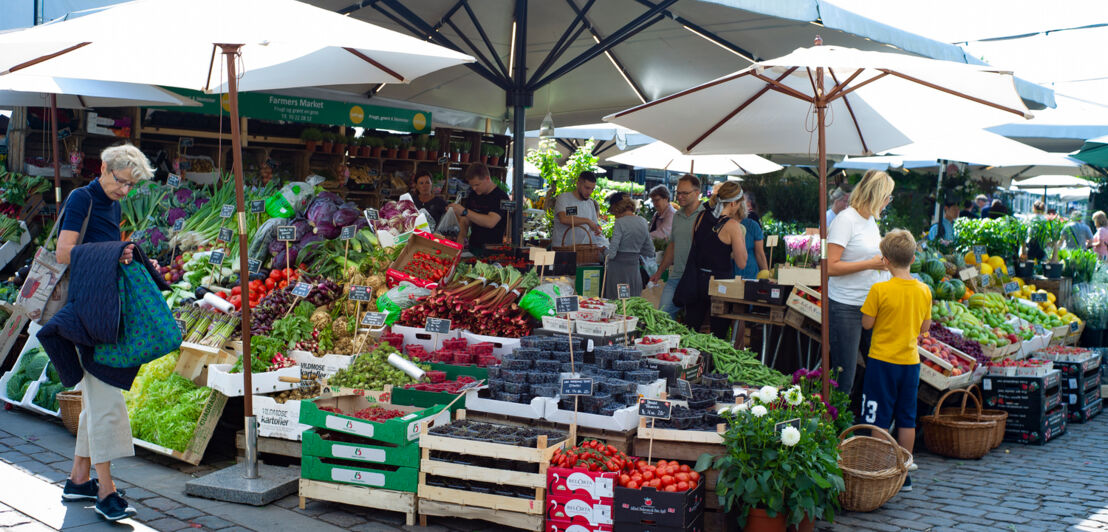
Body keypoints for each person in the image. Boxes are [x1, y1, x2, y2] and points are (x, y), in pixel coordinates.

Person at [53, 144, 155, 521]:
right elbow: (65, 251)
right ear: (104, 168)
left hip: (103, 309)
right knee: (108, 400)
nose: (125, 191)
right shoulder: (83, 198)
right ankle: (106, 492)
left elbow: (103, 248)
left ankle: (80, 480)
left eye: (131, 186)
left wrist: (126, 254)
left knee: (97, 399)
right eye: (121, 182)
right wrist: (115, 251)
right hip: (86, 313)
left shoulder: (112, 202)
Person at [859, 229, 931, 493]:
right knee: (906, 418)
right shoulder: (924, 290)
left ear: (884, 260)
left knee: (878, 417)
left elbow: (867, 323)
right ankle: (904, 473)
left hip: (881, 362)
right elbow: (925, 327)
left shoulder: (879, 289)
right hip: (910, 363)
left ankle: (881, 470)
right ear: (912, 258)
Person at [827, 169, 894, 396]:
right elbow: (830, 267)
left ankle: (860, 423)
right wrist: (870, 264)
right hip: (846, 306)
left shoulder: (870, 221)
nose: (888, 203)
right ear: (877, 195)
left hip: (870, 306)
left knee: (874, 370)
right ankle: (835, 426)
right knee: (843, 377)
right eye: (888, 197)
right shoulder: (845, 220)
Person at [681, 181, 748, 339]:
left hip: (696, 281)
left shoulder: (700, 217)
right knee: (717, 335)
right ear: (733, 203)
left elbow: (697, 245)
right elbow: (742, 262)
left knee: (691, 331)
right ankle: (712, 364)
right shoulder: (732, 226)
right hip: (720, 285)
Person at [650, 174, 704, 318]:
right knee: (663, 316)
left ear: (697, 193)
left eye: (685, 193)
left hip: (698, 279)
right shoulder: (677, 215)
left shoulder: (706, 215)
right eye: (678, 192)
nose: (680, 197)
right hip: (676, 276)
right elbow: (672, 245)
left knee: (693, 322)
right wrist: (660, 271)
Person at [447, 163, 509, 253]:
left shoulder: (500, 197)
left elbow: (490, 222)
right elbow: (465, 220)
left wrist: (464, 211)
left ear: (487, 179)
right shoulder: (473, 195)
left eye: (477, 185)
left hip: (492, 250)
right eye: (472, 185)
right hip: (473, 247)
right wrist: (459, 242)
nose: (474, 188)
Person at [603, 192, 655, 299]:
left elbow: (612, 253)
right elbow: (650, 251)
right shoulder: (643, 222)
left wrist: (603, 251)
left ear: (617, 209)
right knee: (632, 302)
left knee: (616, 303)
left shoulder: (620, 223)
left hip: (618, 271)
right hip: (633, 271)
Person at [552, 171, 602, 248]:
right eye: (587, 188)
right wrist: (587, 221)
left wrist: (597, 229)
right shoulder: (564, 198)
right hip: (562, 249)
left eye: (592, 189)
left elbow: (595, 225)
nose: (589, 192)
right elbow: (564, 219)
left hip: (582, 251)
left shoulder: (590, 203)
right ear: (578, 184)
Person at [735, 208, 768, 279]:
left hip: (751, 275)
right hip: (728, 276)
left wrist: (766, 277)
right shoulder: (722, 224)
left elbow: (760, 254)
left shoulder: (752, 225)